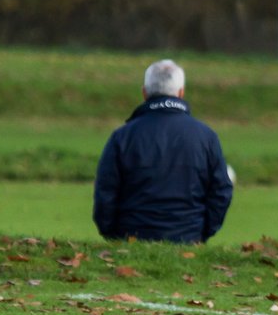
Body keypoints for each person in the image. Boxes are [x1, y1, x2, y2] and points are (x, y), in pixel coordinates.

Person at [93, 59, 234, 243]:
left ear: (144, 93)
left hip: (132, 239)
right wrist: (202, 232)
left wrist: (113, 235)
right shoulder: (206, 137)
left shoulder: (122, 137)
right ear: (181, 93)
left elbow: (106, 191)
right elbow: (221, 191)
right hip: (188, 238)